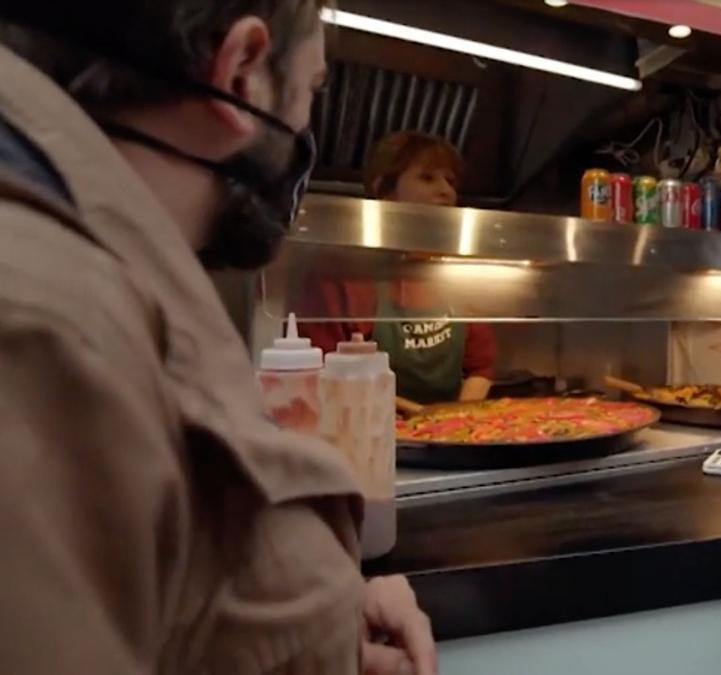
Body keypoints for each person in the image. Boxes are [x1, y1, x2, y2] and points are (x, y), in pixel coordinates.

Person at [0, 3, 433, 674]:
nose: (307, 128)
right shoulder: (47, 328)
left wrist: (322, 621)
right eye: (312, 90)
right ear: (241, 76)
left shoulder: (89, 272)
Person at [301, 131, 495, 403]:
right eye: (427, 177)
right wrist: (419, 420)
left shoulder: (459, 272)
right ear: (385, 191)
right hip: (365, 426)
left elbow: (480, 367)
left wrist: (458, 422)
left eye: (450, 181)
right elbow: (327, 371)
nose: (446, 191)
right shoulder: (344, 274)